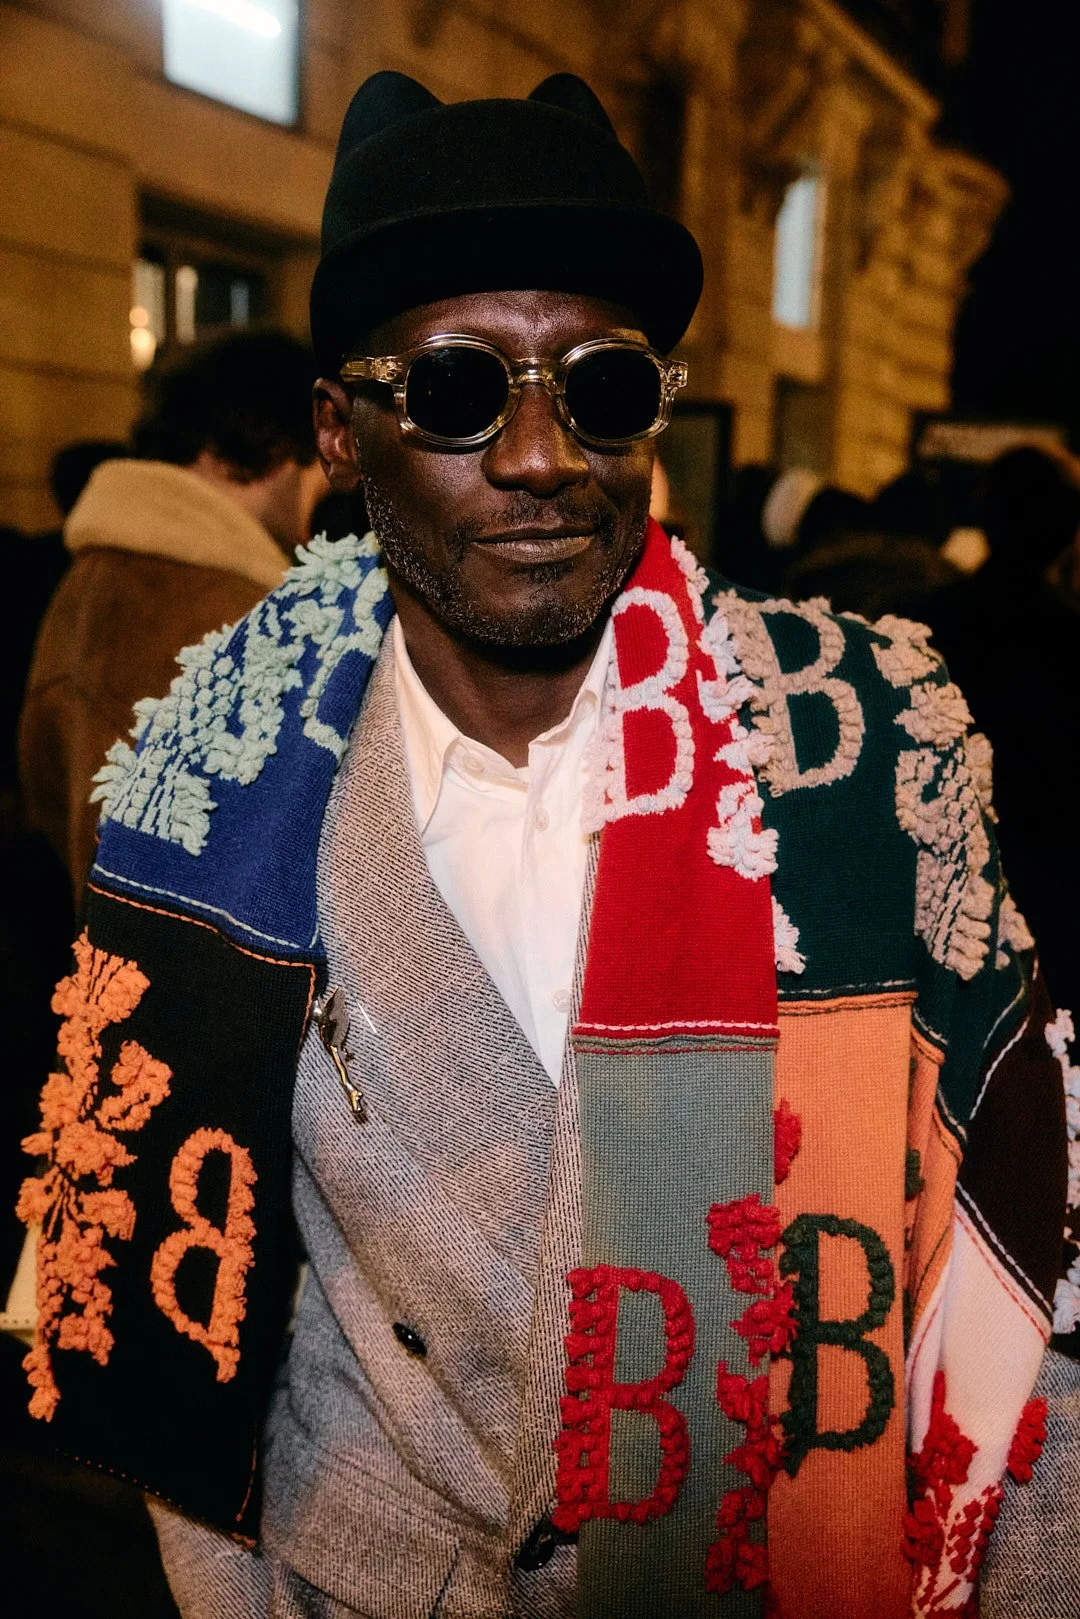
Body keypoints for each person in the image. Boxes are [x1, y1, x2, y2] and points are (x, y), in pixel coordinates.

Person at [13, 72, 1075, 1619]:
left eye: (603, 385)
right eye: (455, 388)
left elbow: (1026, 1275)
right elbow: (197, 1359)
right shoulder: (207, 792)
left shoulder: (866, 756)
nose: (537, 454)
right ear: (341, 430)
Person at [18, 331, 326, 899]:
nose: (325, 480)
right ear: (269, 445)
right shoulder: (222, 610)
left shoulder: (100, 573)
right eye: (316, 451)